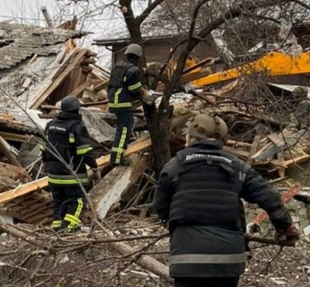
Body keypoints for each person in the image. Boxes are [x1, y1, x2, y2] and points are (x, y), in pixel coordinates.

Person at [154, 113, 299, 287]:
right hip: (228, 259)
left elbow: (161, 207)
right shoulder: (237, 166)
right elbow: (270, 198)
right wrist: (285, 228)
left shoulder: (175, 165)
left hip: (188, 257)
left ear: (190, 137)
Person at [42, 96, 101, 232]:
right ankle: (67, 230)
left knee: (59, 203)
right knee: (78, 202)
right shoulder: (77, 128)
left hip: (54, 175)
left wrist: (47, 165)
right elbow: (85, 153)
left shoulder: (50, 125)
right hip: (72, 176)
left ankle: (57, 229)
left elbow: (44, 150)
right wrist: (94, 166)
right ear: (76, 110)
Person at [107, 43, 153, 166]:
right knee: (124, 131)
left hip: (113, 100)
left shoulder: (118, 66)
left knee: (121, 129)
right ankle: (116, 159)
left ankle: (115, 157)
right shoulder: (133, 70)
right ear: (138, 57)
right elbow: (134, 89)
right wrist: (143, 93)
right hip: (122, 103)